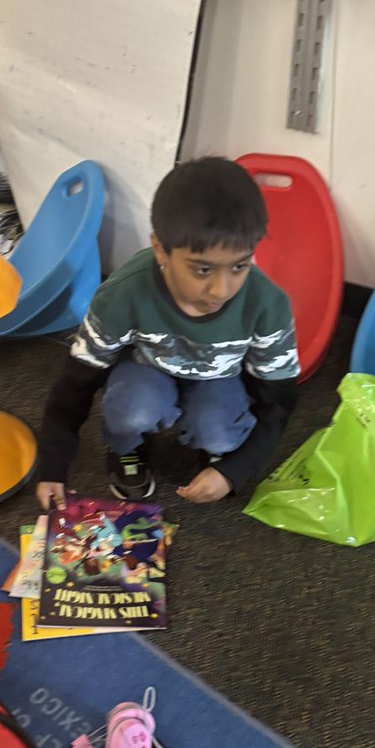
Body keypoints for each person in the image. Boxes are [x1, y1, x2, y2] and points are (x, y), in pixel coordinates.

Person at [35, 157, 300, 510]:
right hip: (145, 371)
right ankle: (127, 449)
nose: (221, 290)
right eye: (202, 269)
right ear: (160, 248)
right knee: (132, 410)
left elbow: (278, 402)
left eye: (239, 266)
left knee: (220, 433)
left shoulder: (268, 304)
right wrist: (53, 464)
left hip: (218, 378)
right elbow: (76, 383)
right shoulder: (122, 295)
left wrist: (234, 470)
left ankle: (211, 449)